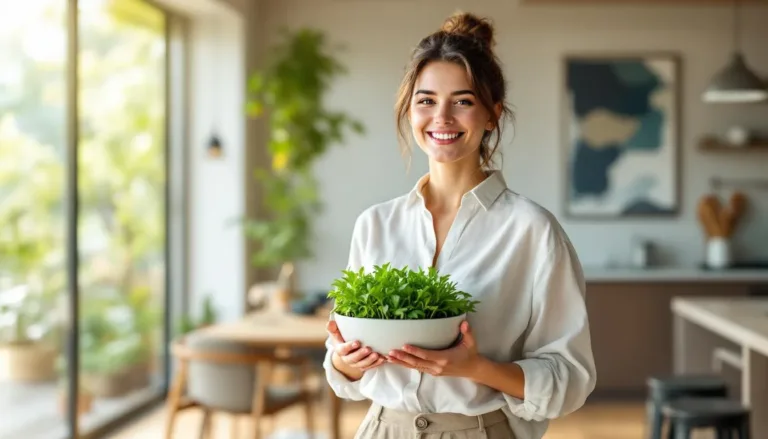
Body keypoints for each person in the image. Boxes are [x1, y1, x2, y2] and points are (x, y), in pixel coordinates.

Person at [322, 11, 597, 439]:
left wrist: (477, 368)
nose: (442, 117)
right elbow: (343, 368)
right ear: (409, 111)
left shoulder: (532, 231)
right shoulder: (375, 224)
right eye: (426, 101)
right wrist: (345, 360)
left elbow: (571, 377)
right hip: (382, 429)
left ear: (492, 115)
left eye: (463, 101)